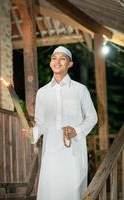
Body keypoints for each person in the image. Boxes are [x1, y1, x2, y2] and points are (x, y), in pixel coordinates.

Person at [24, 46, 97, 200]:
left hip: (73, 151)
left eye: (62, 58)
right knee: (50, 192)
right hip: (50, 152)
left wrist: (76, 130)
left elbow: (92, 117)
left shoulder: (80, 90)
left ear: (69, 64)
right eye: (54, 58)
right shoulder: (42, 92)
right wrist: (33, 132)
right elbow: (41, 123)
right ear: (51, 63)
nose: (57, 61)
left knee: (73, 192)